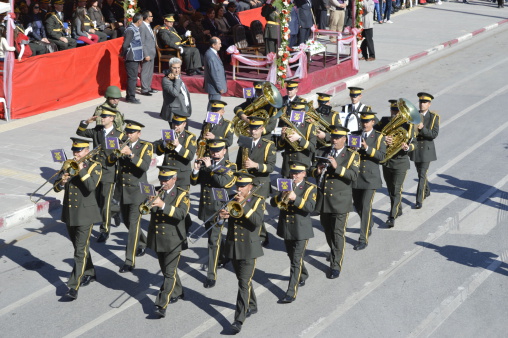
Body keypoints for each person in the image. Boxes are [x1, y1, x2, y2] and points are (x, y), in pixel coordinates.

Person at [53, 137, 102, 300]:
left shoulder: (95, 166)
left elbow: (90, 187)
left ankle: (73, 286)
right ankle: (89, 271)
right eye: (74, 150)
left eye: (79, 150)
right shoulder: (67, 164)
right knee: (79, 246)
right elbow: (56, 187)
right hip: (69, 213)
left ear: (87, 151)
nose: (75, 153)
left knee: (79, 250)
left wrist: (81, 170)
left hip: (85, 215)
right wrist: (62, 182)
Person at [218, 172, 265, 333]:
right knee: (243, 279)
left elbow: (256, 222)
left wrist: (243, 206)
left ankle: (238, 319)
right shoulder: (231, 198)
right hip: (233, 247)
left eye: (242, 186)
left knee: (243, 283)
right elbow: (221, 219)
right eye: (238, 186)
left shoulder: (257, 200)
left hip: (249, 249)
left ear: (250, 187)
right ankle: (252, 304)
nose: (239, 189)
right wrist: (221, 216)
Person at [311, 126, 359, 279]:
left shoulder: (352, 155)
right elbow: (310, 169)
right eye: (333, 137)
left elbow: (354, 175)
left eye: (338, 138)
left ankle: (335, 265)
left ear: (344, 139)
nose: (334, 140)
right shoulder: (323, 151)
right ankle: (334, 251)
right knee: (327, 230)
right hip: (324, 200)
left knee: (338, 234)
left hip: (340, 201)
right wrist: (317, 171)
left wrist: (337, 167)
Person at [190, 140, 237, 288]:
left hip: (219, 209)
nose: (215, 153)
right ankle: (224, 256)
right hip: (206, 207)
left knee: (213, 242)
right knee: (213, 237)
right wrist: (196, 169)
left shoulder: (230, 166)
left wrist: (211, 167)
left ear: (224, 150)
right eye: (212, 150)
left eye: (218, 150)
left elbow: (223, 182)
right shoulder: (206, 164)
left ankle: (211, 275)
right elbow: (194, 182)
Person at [107, 120, 152, 272]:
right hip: (122, 191)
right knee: (128, 222)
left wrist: (131, 154)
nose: (128, 134)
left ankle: (129, 261)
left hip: (137, 192)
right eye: (127, 132)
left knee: (133, 226)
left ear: (139, 134)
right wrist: (114, 153)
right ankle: (144, 242)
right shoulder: (121, 143)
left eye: (132, 132)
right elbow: (110, 162)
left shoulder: (146, 146)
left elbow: (144, 167)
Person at [270, 161, 317, 303]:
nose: (294, 175)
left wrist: (295, 198)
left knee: (295, 260)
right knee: (292, 256)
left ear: (304, 174)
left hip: (301, 229)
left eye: (297, 173)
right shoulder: (286, 184)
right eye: (292, 173)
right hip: (287, 227)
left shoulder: (310, 188)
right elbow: (273, 203)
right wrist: (281, 195)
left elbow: (310, 207)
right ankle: (303, 274)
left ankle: (291, 292)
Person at [147, 166, 190, 318]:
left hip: (173, 239)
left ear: (174, 179)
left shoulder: (182, 195)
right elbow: (144, 210)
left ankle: (161, 304)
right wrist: (148, 202)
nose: (163, 182)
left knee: (169, 274)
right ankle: (178, 290)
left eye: (166, 180)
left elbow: (181, 214)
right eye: (161, 179)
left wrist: (163, 205)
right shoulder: (156, 192)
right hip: (158, 239)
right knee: (166, 270)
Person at [76, 105, 124, 242]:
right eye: (101, 116)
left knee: (105, 201)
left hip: (108, 172)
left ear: (112, 118)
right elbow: (80, 133)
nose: (102, 118)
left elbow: (123, 154)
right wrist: (86, 122)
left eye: (104, 116)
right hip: (94, 171)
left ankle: (105, 230)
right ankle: (115, 211)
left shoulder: (119, 135)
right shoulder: (97, 131)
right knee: (96, 200)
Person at [235, 116, 277, 246]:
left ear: (262, 129)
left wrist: (256, 165)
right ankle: (258, 234)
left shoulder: (268, 145)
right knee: (247, 208)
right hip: (246, 183)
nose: (253, 132)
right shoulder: (245, 142)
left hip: (260, 183)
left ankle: (261, 237)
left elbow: (271, 167)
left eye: (256, 129)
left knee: (257, 211)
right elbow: (238, 163)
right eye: (251, 128)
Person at [153, 112, 196, 233]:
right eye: (174, 124)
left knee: (181, 203)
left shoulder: (190, 137)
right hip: (168, 175)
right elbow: (159, 151)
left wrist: (178, 146)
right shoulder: (168, 134)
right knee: (168, 200)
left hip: (182, 176)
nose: (175, 126)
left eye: (178, 124)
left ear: (184, 124)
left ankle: (184, 227)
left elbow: (190, 156)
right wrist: (164, 144)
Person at [375, 100, 415, 227]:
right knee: (391, 189)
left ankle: (392, 216)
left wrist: (407, 147)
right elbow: (373, 133)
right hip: (387, 161)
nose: (394, 114)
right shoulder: (384, 121)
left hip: (401, 162)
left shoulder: (409, 125)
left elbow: (416, 143)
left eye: (397, 111)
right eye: (393, 111)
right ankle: (398, 209)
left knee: (397, 189)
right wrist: (382, 138)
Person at [351, 112, 385, 251]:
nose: (364, 124)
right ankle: (369, 223)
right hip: (357, 176)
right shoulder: (354, 134)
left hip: (371, 178)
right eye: (363, 121)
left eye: (367, 122)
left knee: (365, 207)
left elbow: (382, 156)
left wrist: (367, 148)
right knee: (357, 206)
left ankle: (363, 238)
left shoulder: (378, 136)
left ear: (373, 122)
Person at [409, 92, 439, 209]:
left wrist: (423, 129)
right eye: (421, 102)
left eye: (425, 102)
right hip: (416, 148)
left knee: (422, 174)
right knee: (420, 172)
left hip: (426, 149)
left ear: (429, 104)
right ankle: (426, 190)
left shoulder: (433, 117)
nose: (422, 104)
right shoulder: (413, 115)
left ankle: (419, 200)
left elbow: (434, 134)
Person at [277, 100, 316, 178]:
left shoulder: (309, 126)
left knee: (300, 189)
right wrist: (282, 136)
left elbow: (312, 147)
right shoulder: (287, 123)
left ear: (303, 112)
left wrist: (299, 138)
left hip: (301, 164)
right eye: (293, 111)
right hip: (288, 165)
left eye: (298, 112)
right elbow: (279, 147)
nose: (295, 114)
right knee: (285, 189)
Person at [121, 12, 144, 104]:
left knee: (133, 77)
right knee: (132, 78)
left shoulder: (135, 28)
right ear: (139, 21)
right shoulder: (131, 30)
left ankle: (129, 95)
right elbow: (125, 44)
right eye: (142, 21)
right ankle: (131, 97)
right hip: (131, 57)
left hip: (135, 57)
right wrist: (123, 54)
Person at [160, 58, 192, 122]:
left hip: (183, 109)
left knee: (184, 131)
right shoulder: (166, 80)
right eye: (174, 68)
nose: (177, 70)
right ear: (170, 68)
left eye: (178, 67)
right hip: (175, 112)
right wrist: (177, 79)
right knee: (176, 131)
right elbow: (175, 93)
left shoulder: (178, 76)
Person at [204, 37, 227, 109]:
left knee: (214, 105)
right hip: (214, 87)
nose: (221, 45)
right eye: (219, 44)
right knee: (213, 106)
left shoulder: (212, 53)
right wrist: (219, 87)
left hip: (214, 87)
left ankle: (211, 120)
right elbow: (214, 73)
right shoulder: (211, 56)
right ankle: (209, 120)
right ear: (213, 45)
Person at [139, 10, 158, 96]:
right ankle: (144, 89)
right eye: (151, 16)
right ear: (147, 18)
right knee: (146, 71)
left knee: (150, 71)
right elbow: (142, 42)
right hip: (147, 52)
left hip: (152, 52)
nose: (152, 17)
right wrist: (145, 54)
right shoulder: (142, 27)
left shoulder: (148, 26)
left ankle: (148, 87)